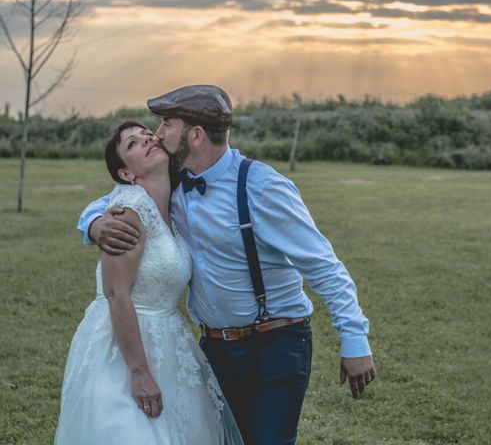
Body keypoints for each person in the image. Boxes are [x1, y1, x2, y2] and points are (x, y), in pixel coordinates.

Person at [77, 85, 376, 445]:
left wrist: (355, 340)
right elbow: (119, 197)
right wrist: (93, 223)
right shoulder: (173, 181)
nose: (157, 134)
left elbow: (324, 265)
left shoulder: (261, 186)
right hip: (214, 350)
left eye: (167, 125)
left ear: (196, 135)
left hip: (275, 344)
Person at [56, 121, 242, 444]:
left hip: (170, 346)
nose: (145, 140)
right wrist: (139, 373)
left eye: (146, 135)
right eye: (132, 144)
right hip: (122, 350)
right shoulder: (128, 211)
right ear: (126, 174)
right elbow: (116, 294)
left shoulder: (176, 204)